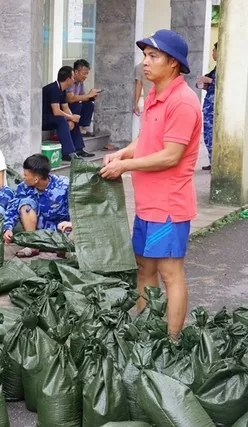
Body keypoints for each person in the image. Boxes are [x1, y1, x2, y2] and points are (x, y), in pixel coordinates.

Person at [100, 29, 202, 339]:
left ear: (173, 63)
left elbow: (170, 155)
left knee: (170, 274)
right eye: (145, 55)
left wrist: (124, 166)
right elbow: (147, 140)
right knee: (144, 270)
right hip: (147, 206)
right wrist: (122, 152)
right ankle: (147, 334)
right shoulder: (156, 96)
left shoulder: (183, 102)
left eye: (153, 56)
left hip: (168, 208)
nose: (145, 62)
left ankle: (171, 341)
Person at [3, 154, 71, 258]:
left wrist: (71, 224)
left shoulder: (64, 185)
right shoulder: (23, 187)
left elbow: (80, 209)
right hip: (37, 232)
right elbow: (12, 208)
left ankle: (60, 248)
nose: (22, 177)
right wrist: (7, 228)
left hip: (61, 231)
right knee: (26, 204)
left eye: (26, 175)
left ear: (36, 179)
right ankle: (33, 245)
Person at [42, 66, 95, 161]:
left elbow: (65, 107)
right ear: (67, 79)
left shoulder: (62, 90)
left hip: (52, 117)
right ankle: (67, 153)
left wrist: (72, 119)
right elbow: (56, 111)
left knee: (72, 118)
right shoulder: (53, 88)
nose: (74, 80)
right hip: (42, 119)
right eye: (73, 78)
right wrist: (70, 117)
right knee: (62, 119)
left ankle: (78, 149)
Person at [66, 59, 101, 137]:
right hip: (66, 107)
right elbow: (70, 99)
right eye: (84, 73)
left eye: (87, 74)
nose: (86, 76)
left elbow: (82, 97)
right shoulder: (70, 81)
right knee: (78, 105)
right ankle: (76, 129)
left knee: (89, 104)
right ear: (76, 72)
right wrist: (87, 96)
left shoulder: (80, 83)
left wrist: (91, 97)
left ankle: (83, 129)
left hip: (74, 105)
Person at [197, 42, 218, 171]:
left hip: (214, 108)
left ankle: (216, 164)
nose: (212, 53)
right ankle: (212, 162)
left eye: (214, 50)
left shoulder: (227, 68)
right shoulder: (216, 68)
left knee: (212, 136)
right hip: (209, 107)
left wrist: (209, 81)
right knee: (208, 136)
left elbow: (224, 84)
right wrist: (204, 83)